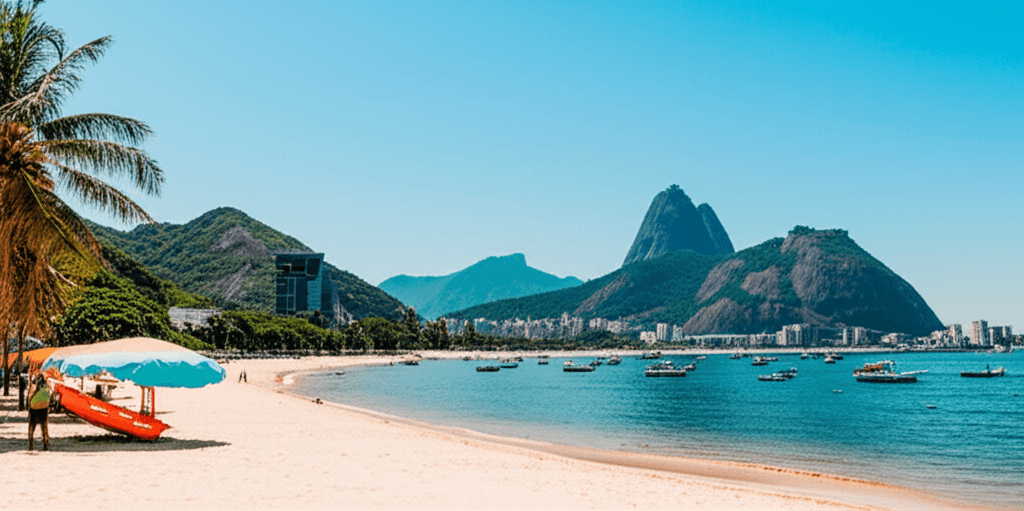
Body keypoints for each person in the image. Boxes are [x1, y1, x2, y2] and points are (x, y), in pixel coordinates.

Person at [27, 374, 50, 451]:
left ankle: (30, 446)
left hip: (34, 409)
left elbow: (30, 397)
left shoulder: (34, 386)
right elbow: (49, 396)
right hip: (44, 408)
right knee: (44, 428)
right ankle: (46, 445)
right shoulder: (47, 386)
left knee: (31, 428)